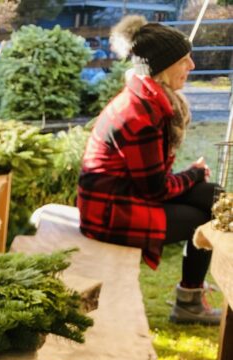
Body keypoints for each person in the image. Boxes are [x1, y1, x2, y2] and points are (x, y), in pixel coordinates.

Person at [77, 16, 220, 324]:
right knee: (203, 219)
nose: (192, 66)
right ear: (163, 67)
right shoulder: (139, 113)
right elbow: (154, 188)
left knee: (214, 197)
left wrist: (195, 179)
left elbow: (151, 180)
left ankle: (190, 299)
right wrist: (193, 174)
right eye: (184, 60)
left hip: (124, 198)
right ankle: (189, 303)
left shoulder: (149, 99)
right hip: (111, 211)